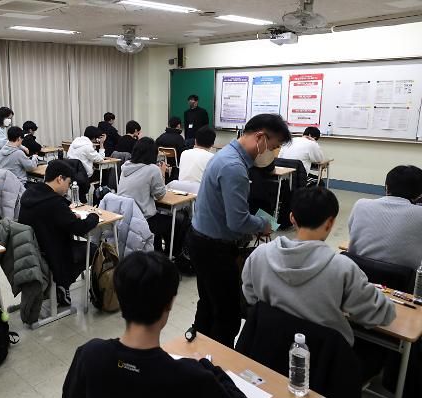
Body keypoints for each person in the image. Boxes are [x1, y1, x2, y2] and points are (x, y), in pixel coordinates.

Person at [63, 251, 256, 398]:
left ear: (120, 299)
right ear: (169, 303)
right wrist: (209, 368)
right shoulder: (190, 377)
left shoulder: (90, 354)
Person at [242, 187, 395, 347]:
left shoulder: (259, 255)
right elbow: (380, 315)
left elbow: (251, 297)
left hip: (269, 346)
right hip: (324, 356)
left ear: (292, 218)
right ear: (330, 223)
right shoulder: (343, 269)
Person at [190, 113, 291, 347]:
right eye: (272, 147)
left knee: (208, 303)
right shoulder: (234, 167)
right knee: (227, 314)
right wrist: (263, 225)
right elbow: (237, 222)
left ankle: (198, 352)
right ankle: (219, 361)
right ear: (260, 137)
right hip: (215, 248)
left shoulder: (225, 154)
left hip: (201, 240)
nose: (272, 153)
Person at [18, 160, 99, 306]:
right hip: (52, 255)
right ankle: (62, 283)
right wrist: (94, 217)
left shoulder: (30, 193)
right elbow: (80, 228)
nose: (68, 188)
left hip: (32, 251)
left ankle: (60, 285)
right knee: (93, 249)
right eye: (68, 183)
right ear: (59, 178)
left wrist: (68, 215)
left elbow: (52, 216)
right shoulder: (54, 203)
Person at [348, 165, 422, 271]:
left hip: (358, 273)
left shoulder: (360, 205)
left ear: (387, 187)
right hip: (403, 279)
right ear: (419, 195)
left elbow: (353, 234)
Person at [118, 137, 180, 254]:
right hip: (143, 219)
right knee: (175, 223)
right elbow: (160, 195)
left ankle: (157, 249)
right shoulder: (153, 169)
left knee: (159, 217)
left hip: (124, 218)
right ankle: (169, 255)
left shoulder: (126, 166)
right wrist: (162, 172)